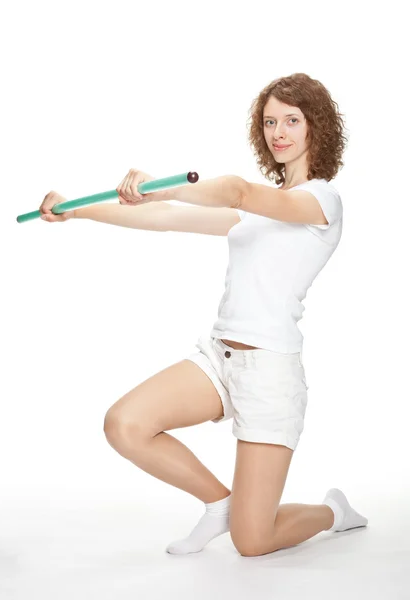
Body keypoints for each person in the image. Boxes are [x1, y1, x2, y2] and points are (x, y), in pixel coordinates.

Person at [39, 72, 368, 557]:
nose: (278, 131)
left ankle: (333, 512)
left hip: (270, 373)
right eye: (270, 121)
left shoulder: (321, 201)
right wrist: (76, 211)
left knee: (254, 541)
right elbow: (163, 220)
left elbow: (237, 190)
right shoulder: (258, 213)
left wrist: (165, 187)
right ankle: (219, 503)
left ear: (315, 127)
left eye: (292, 121)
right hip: (219, 358)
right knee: (125, 424)